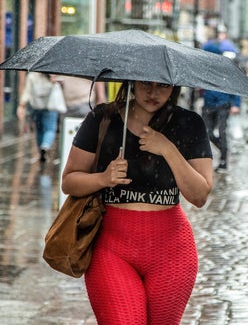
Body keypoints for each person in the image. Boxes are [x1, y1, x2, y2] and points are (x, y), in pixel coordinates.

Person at [61, 80, 213, 324]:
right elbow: (69, 181)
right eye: (146, 84)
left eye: (162, 86)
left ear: (174, 87)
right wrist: (103, 178)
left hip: (172, 252)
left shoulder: (188, 123)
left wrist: (168, 149)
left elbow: (199, 196)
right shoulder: (102, 118)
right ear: (131, 81)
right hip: (111, 248)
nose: (153, 93)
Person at [201, 43, 241, 172]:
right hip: (208, 105)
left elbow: (235, 86)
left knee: (222, 132)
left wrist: (236, 104)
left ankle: (223, 160)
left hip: (223, 105)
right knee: (207, 133)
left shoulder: (225, 67)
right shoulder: (203, 67)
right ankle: (223, 150)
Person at [17, 72, 62, 163]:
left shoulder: (32, 75)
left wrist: (22, 104)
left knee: (39, 130)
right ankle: (45, 146)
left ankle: (40, 150)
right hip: (50, 107)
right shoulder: (53, 74)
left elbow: (27, 91)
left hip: (36, 107)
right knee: (50, 129)